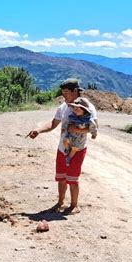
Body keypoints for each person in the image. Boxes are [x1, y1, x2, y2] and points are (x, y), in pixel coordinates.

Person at [27, 78, 98, 214]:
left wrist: (75, 130)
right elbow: (53, 124)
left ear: (75, 91)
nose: (63, 95)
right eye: (62, 92)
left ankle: (74, 205)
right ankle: (60, 202)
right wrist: (39, 130)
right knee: (61, 177)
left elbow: (94, 127)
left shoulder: (87, 107)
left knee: (72, 178)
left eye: (66, 92)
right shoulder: (63, 107)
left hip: (77, 149)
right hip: (62, 148)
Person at [63, 97, 98, 166]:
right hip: (71, 134)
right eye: (74, 108)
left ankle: (69, 158)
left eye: (77, 108)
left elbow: (93, 127)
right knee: (65, 141)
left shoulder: (88, 120)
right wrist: (67, 127)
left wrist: (94, 134)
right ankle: (67, 149)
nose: (75, 110)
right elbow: (68, 123)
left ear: (84, 110)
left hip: (80, 138)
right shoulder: (73, 116)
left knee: (75, 148)